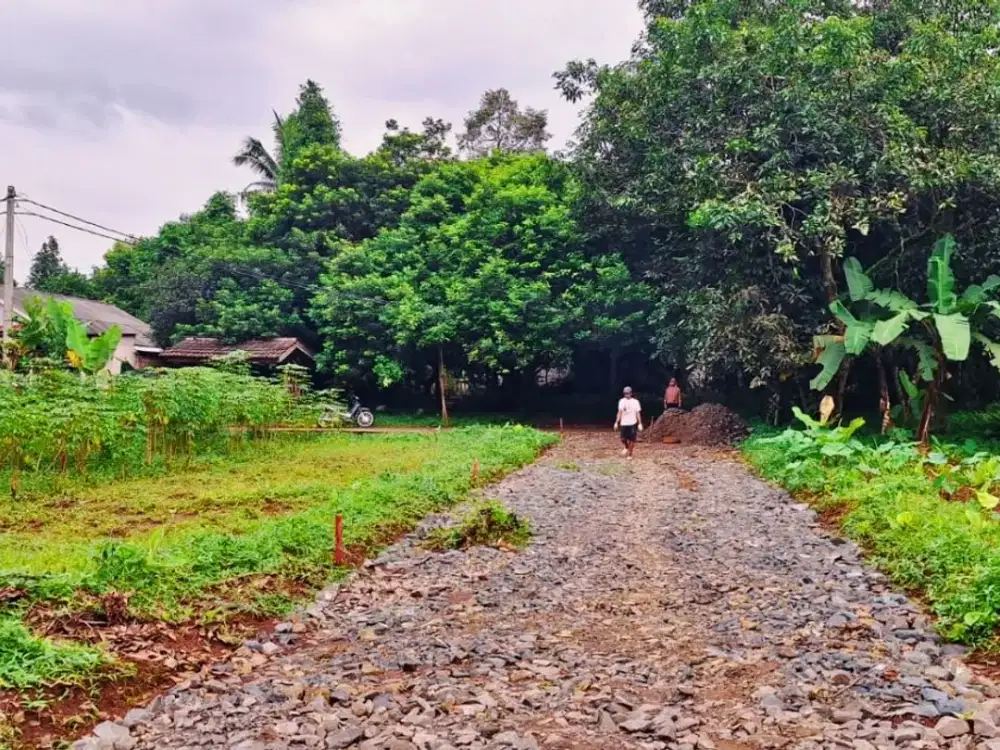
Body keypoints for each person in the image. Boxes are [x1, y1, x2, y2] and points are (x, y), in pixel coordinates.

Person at [614, 386, 642, 459]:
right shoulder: (621, 401)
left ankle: (630, 454)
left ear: (631, 393)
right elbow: (619, 412)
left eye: (628, 393)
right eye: (625, 393)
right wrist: (616, 422)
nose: (627, 395)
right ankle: (626, 447)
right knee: (623, 439)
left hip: (632, 423)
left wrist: (640, 423)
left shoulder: (635, 402)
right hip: (624, 423)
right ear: (624, 394)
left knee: (632, 440)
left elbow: (638, 413)